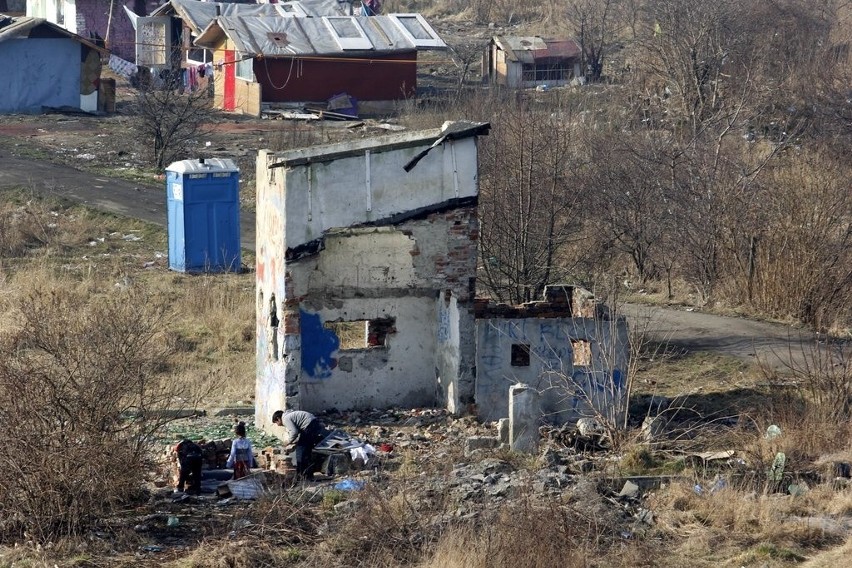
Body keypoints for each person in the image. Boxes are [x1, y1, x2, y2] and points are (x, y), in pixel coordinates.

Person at [272, 410, 329, 479]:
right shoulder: (290, 415)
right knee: (306, 451)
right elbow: (298, 431)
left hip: (310, 426)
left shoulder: (286, 419)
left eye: (276, 422)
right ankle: (307, 475)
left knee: (301, 451)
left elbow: (294, 432)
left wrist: (288, 442)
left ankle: (302, 475)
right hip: (313, 424)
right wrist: (295, 441)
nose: (278, 425)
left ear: (278, 418)